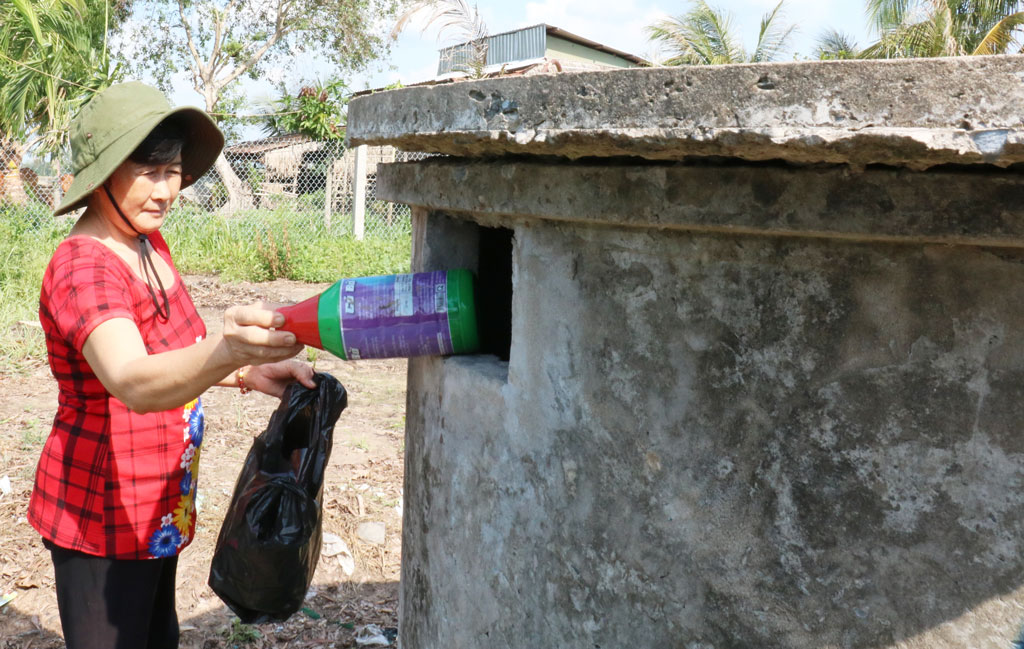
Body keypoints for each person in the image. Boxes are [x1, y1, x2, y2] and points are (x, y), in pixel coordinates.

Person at [26, 81, 315, 649]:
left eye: (175, 171)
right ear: (105, 175)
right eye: (149, 172)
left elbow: (177, 346)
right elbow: (132, 379)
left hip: (156, 506)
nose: (167, 191)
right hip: (102, 514)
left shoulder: (146, 245)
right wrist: (230, 350)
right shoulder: (84, 267)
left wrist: (247, 371)